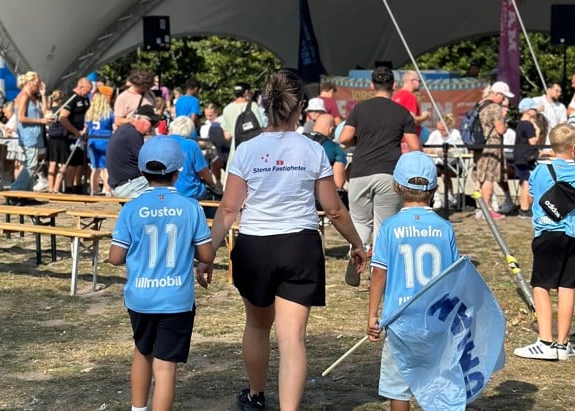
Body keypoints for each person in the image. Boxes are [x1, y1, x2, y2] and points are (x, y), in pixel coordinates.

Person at [196, 68, 366, 411]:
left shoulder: (246, 149)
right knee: (292, 340)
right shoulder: (313, 150)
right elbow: (333, 210)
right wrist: (357, 243)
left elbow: (228, 210)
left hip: (255, 246)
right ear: (300, 106)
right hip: (299, 246)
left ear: (264, 104)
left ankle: (256, 396)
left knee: (257, 327)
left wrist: (207, 253)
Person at [109, 135, 215, 411]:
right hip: (176, 299)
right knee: (166, 367)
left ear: (142, 171)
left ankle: (137, 408)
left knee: (142, 353)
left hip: (140, 298)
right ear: (179, 172)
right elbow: (206, 255)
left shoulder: (130, 209)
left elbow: (115, 258)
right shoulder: (192, 207)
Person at [367, 151, 460, 411]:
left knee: (399, 388)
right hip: (437, 320)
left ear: (396, 187)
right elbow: (454, 277)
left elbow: (379, 274)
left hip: (399, 321)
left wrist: (372, 315)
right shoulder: (445, 228)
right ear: (434, 187)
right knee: (440, 383)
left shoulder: (389, 227)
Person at [514, 124, 575, 361]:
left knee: (541, 286)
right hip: (574, 235)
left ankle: (544, 341)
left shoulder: (539, 171)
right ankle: (562, 344)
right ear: (574, 148)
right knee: (567, 287)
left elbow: (532, 196)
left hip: (548, 234)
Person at [339, 65, 420, 286]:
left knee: (360, 221)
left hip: (360, 171)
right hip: (388, 172)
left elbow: (344, 138)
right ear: (393, 86)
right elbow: (415, 147)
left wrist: (362, 140)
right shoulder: (402, 112)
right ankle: (380, 274)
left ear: (371, 86)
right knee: (384, 225)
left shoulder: (359, 109)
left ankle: (356, 254)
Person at [472, 81, 513, 220]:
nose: (504, 100)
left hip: (478, 145)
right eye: (503, 96)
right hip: (491, 144)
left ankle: (479, 208)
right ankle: (488, 209)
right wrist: (504, 117)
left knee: (479, 177)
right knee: (489, 177)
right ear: (497, 94)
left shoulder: (480, 104)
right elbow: (500, 129)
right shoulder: (494, 107)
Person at [11, 71, 52, 195]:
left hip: (36, 135)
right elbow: (21, 118)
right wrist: (41, 120)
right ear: (30, 82)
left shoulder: (34, 97)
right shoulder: (23, 96)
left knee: (32, 164)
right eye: (37, 82)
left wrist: (43, 95)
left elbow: (45, 111)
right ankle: (16, 190)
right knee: (31, 164)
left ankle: (27, 193)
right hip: (28, 135)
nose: (39, 84)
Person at [107, 105, 159, 198]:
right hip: (128, 185)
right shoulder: (133, 134)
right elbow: (146, 162)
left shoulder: (126, 130)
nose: (152, 127)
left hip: (122, 184)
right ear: (138, 118)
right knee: (164, 184)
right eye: (150, 122)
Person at [166, 115, 221, 201]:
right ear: (190, 130)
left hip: (165, 192)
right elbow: (204, 172)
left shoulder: (162, 142)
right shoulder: (191, 145)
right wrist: (213, 185)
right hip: (188, 193)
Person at [423, 113, 465, 208]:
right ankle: (436, 197)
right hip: (438, 163)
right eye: (439, 130)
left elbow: (461, 149)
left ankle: (450, 196)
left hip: (453, 164)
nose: (441, 132)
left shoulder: (455, 133)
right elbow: (426, 147)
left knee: (444, 174)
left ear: (449, 127)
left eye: (443, 130)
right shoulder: (434, 134)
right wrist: (431, 150)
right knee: (430, 172)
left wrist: (448, 151)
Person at [59, 77, 93, 194]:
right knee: (72, 163)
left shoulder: (86, 99)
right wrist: (75, 132)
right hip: (72, 136)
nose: (88, 93)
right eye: (87, 90)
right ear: (81, 87)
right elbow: (62, 118)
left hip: (84, 135)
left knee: (81, 163)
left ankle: (78, 185)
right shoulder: (71, 98)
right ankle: (68, 187)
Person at [513, 98, 541, 218]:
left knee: (524, 181)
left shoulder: (520, 124)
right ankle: (524, 208)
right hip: (526, 157)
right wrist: (538, 130)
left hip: (519, 155)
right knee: (526, 182)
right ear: (528, 111)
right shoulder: (528, 125)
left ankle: (524, 206)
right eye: (534, 109)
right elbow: (533, 142)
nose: (536, 111)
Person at [85, 92, 115, 195]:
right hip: (106, 140)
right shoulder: (109, 113)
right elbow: (114, 127)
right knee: (106, 167)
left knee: (95, 167)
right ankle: (107, 190)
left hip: (93, 140)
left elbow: (86, 127)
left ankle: (93, 190)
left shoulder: (89, 114)